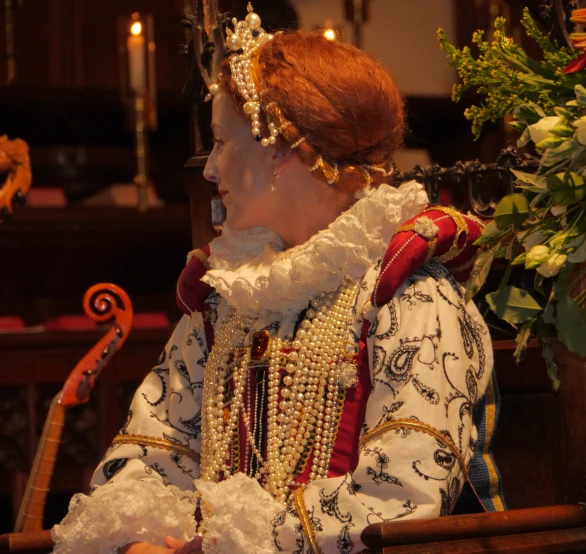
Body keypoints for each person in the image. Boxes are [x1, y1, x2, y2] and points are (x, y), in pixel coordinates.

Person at [51, 7, 503, 554]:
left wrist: (219, 547)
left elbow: (402, 495)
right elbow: (145, 457)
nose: (210, 169)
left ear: (279, 153)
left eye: (221, 142)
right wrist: (138, 543)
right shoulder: (230, 301)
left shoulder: (407, 294)